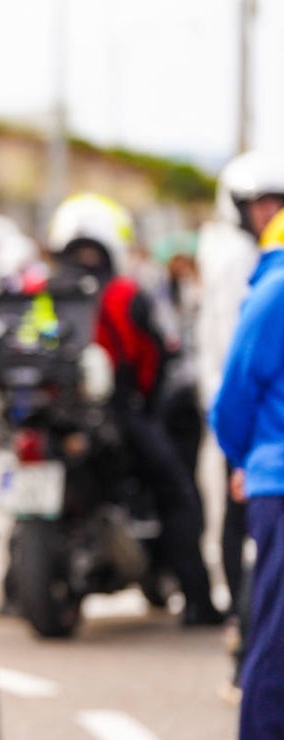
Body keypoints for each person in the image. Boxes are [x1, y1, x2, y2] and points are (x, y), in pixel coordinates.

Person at [47, 193, 224, 626]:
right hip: (116, 414)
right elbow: (154, 359)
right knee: (178, 493)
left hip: (47, 414)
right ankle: (198, 600)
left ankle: (14, 592)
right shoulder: (126, 293)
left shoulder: (37, 288)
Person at [197, 152, 284, 694]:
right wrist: (239, 450)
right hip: (243, 430)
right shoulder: (237, 263)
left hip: (256, 439)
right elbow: (233, 366)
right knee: (233, 533)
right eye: (258, 202)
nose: (266, 211)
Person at [210, 206, 284, 740]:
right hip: (281, 482)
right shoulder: (279, 285)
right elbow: (232, 396)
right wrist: (245, 459)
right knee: (278, 639)